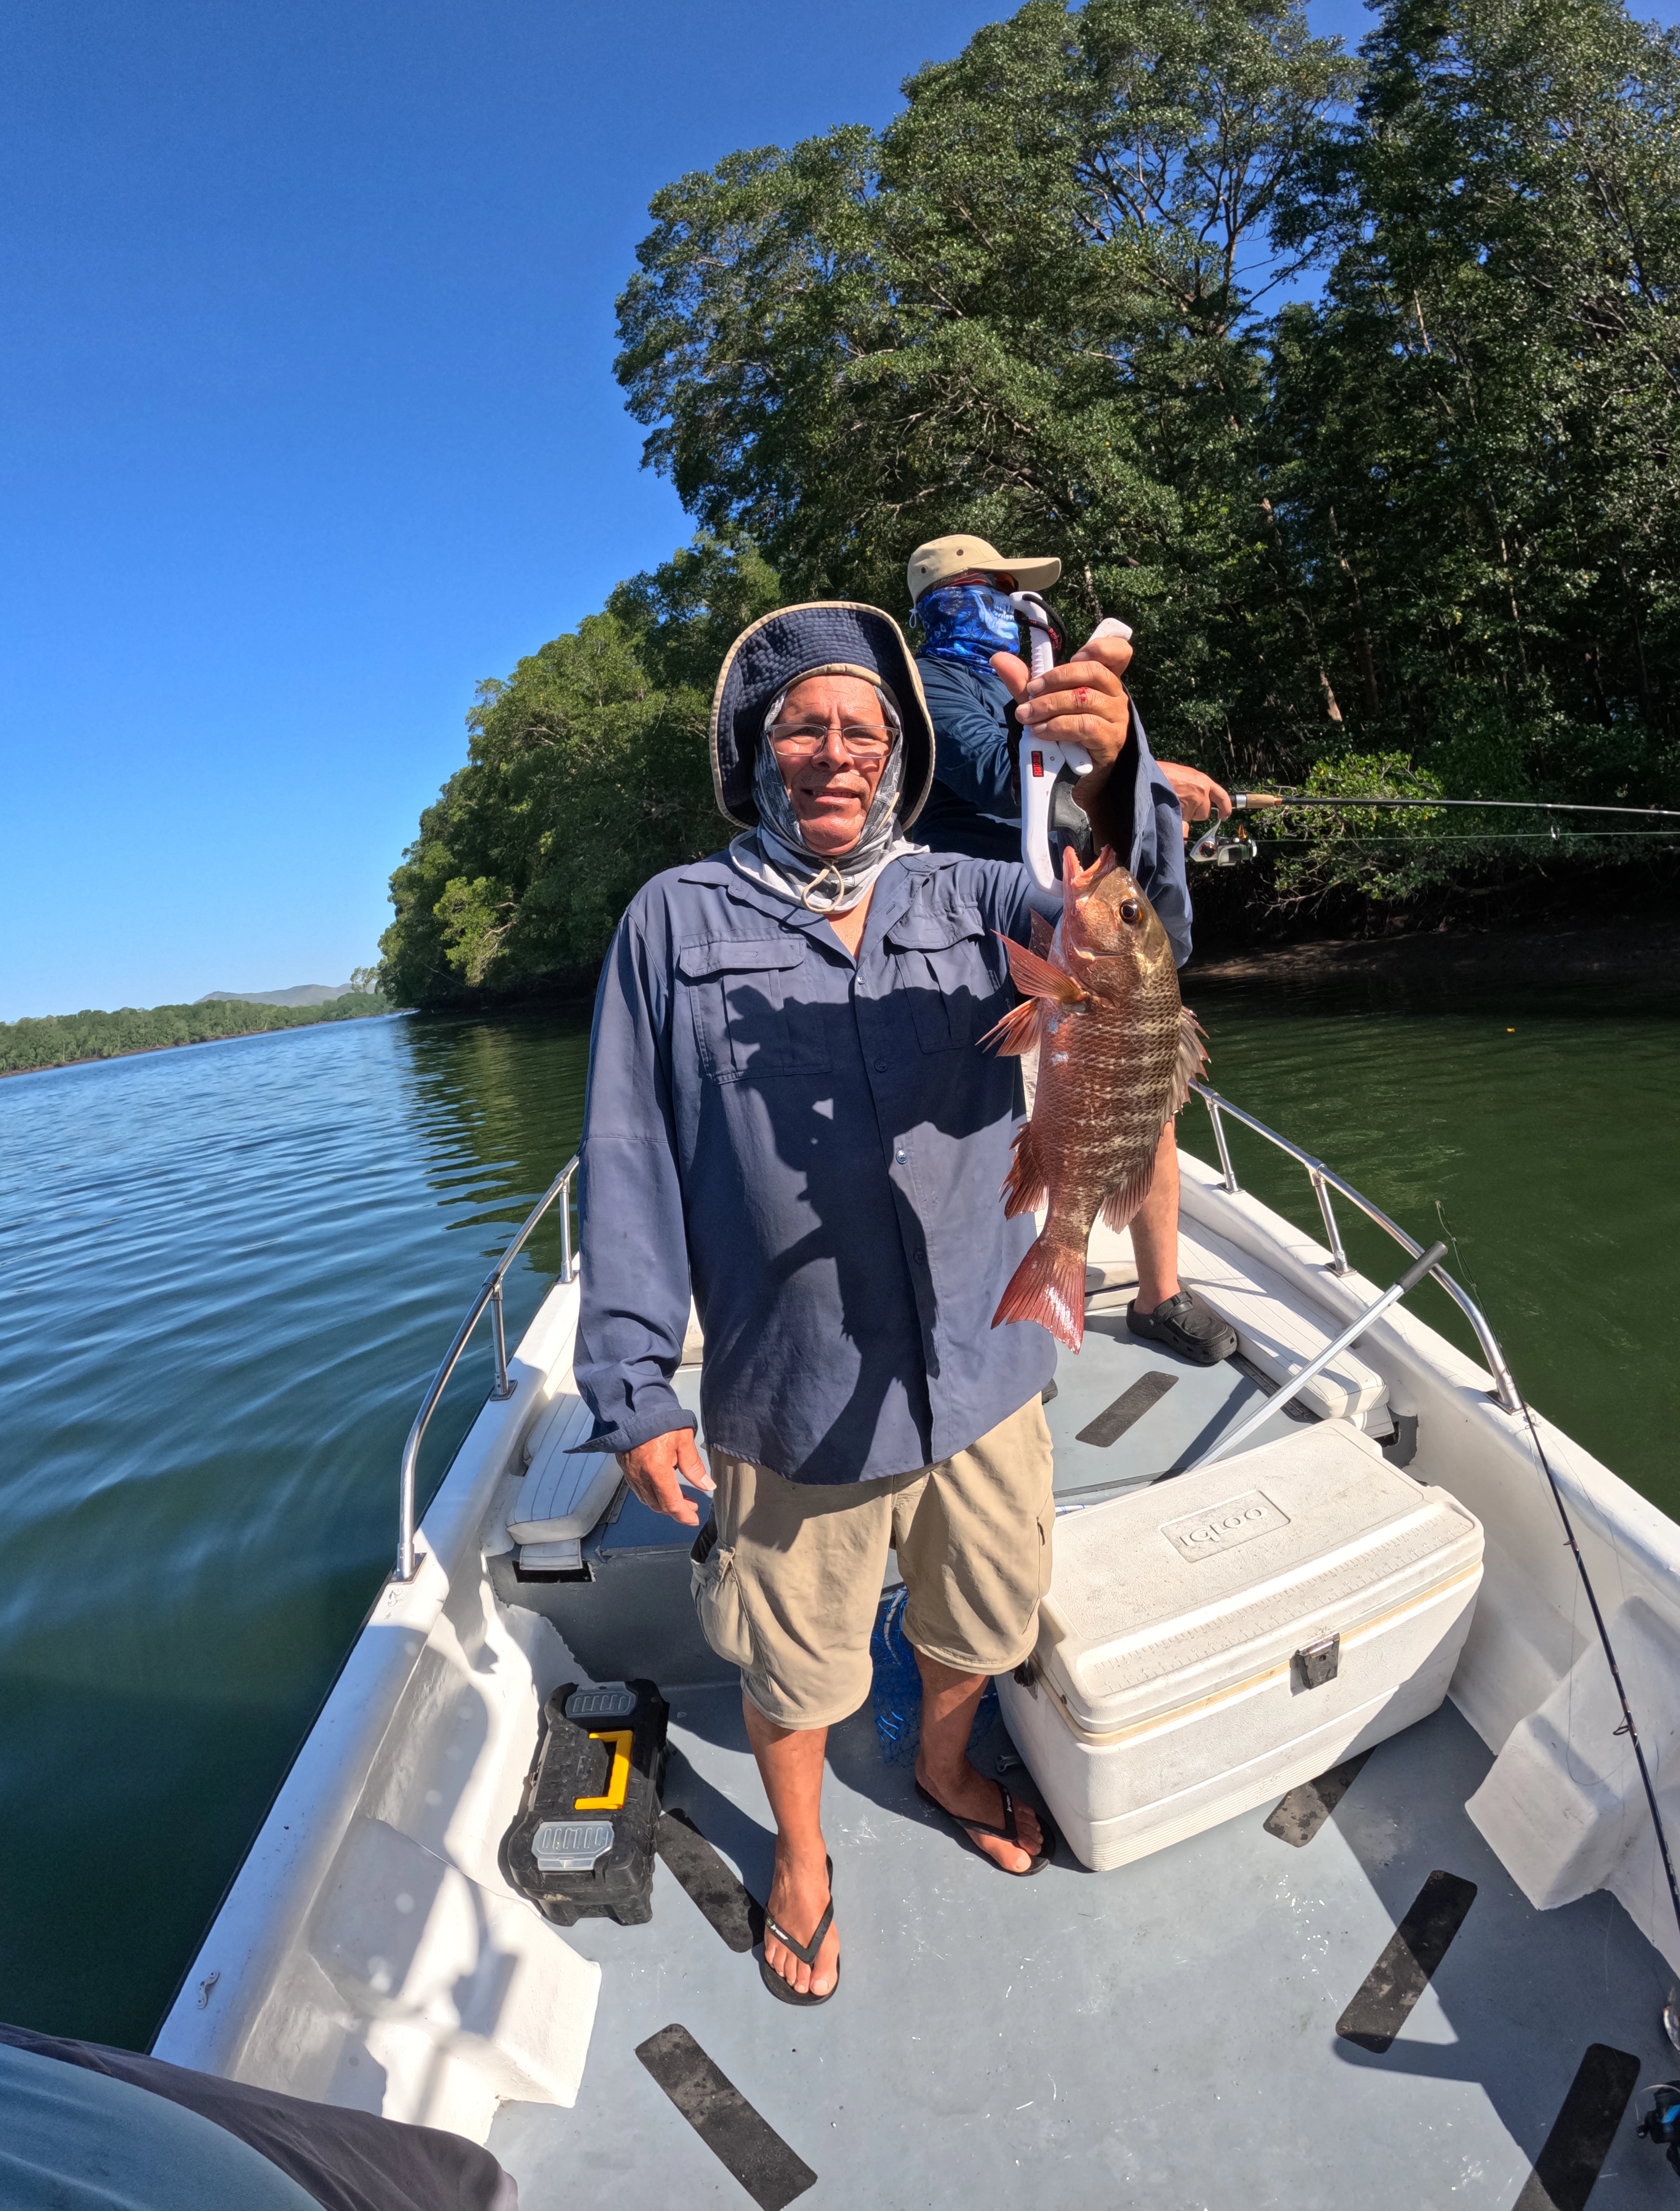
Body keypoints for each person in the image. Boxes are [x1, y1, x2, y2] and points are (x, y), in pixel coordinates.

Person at [572, 601, 1192, 2004]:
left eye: (865, 726)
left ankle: (944, 1755)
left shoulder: (975, 893)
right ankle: (801, 1854)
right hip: (791, 1395)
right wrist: (631, 1390)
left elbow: (1139, 936)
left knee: (982, 1614)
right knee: (791, 1658)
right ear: (755, 744)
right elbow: (626, 1159)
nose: (836, 751)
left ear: (903, 750)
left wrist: (1109, 771)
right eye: (804, 723)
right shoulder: (671, 923)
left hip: (988, 1356)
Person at [907, 532, 1236, 1365]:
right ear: (952, 596)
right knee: (1001, 1127)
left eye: (1018, 593)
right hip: (981, 943)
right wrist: (1149, 777)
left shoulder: (1036, 689)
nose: (1016, 608)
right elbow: (1001, 776)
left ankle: (1159, 1294)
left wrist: (1142, 781)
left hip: (1080, 930)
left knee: (1143, 1096)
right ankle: (1006, 1329)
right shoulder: (924, 688)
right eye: (998, 590)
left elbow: (1080, 786)